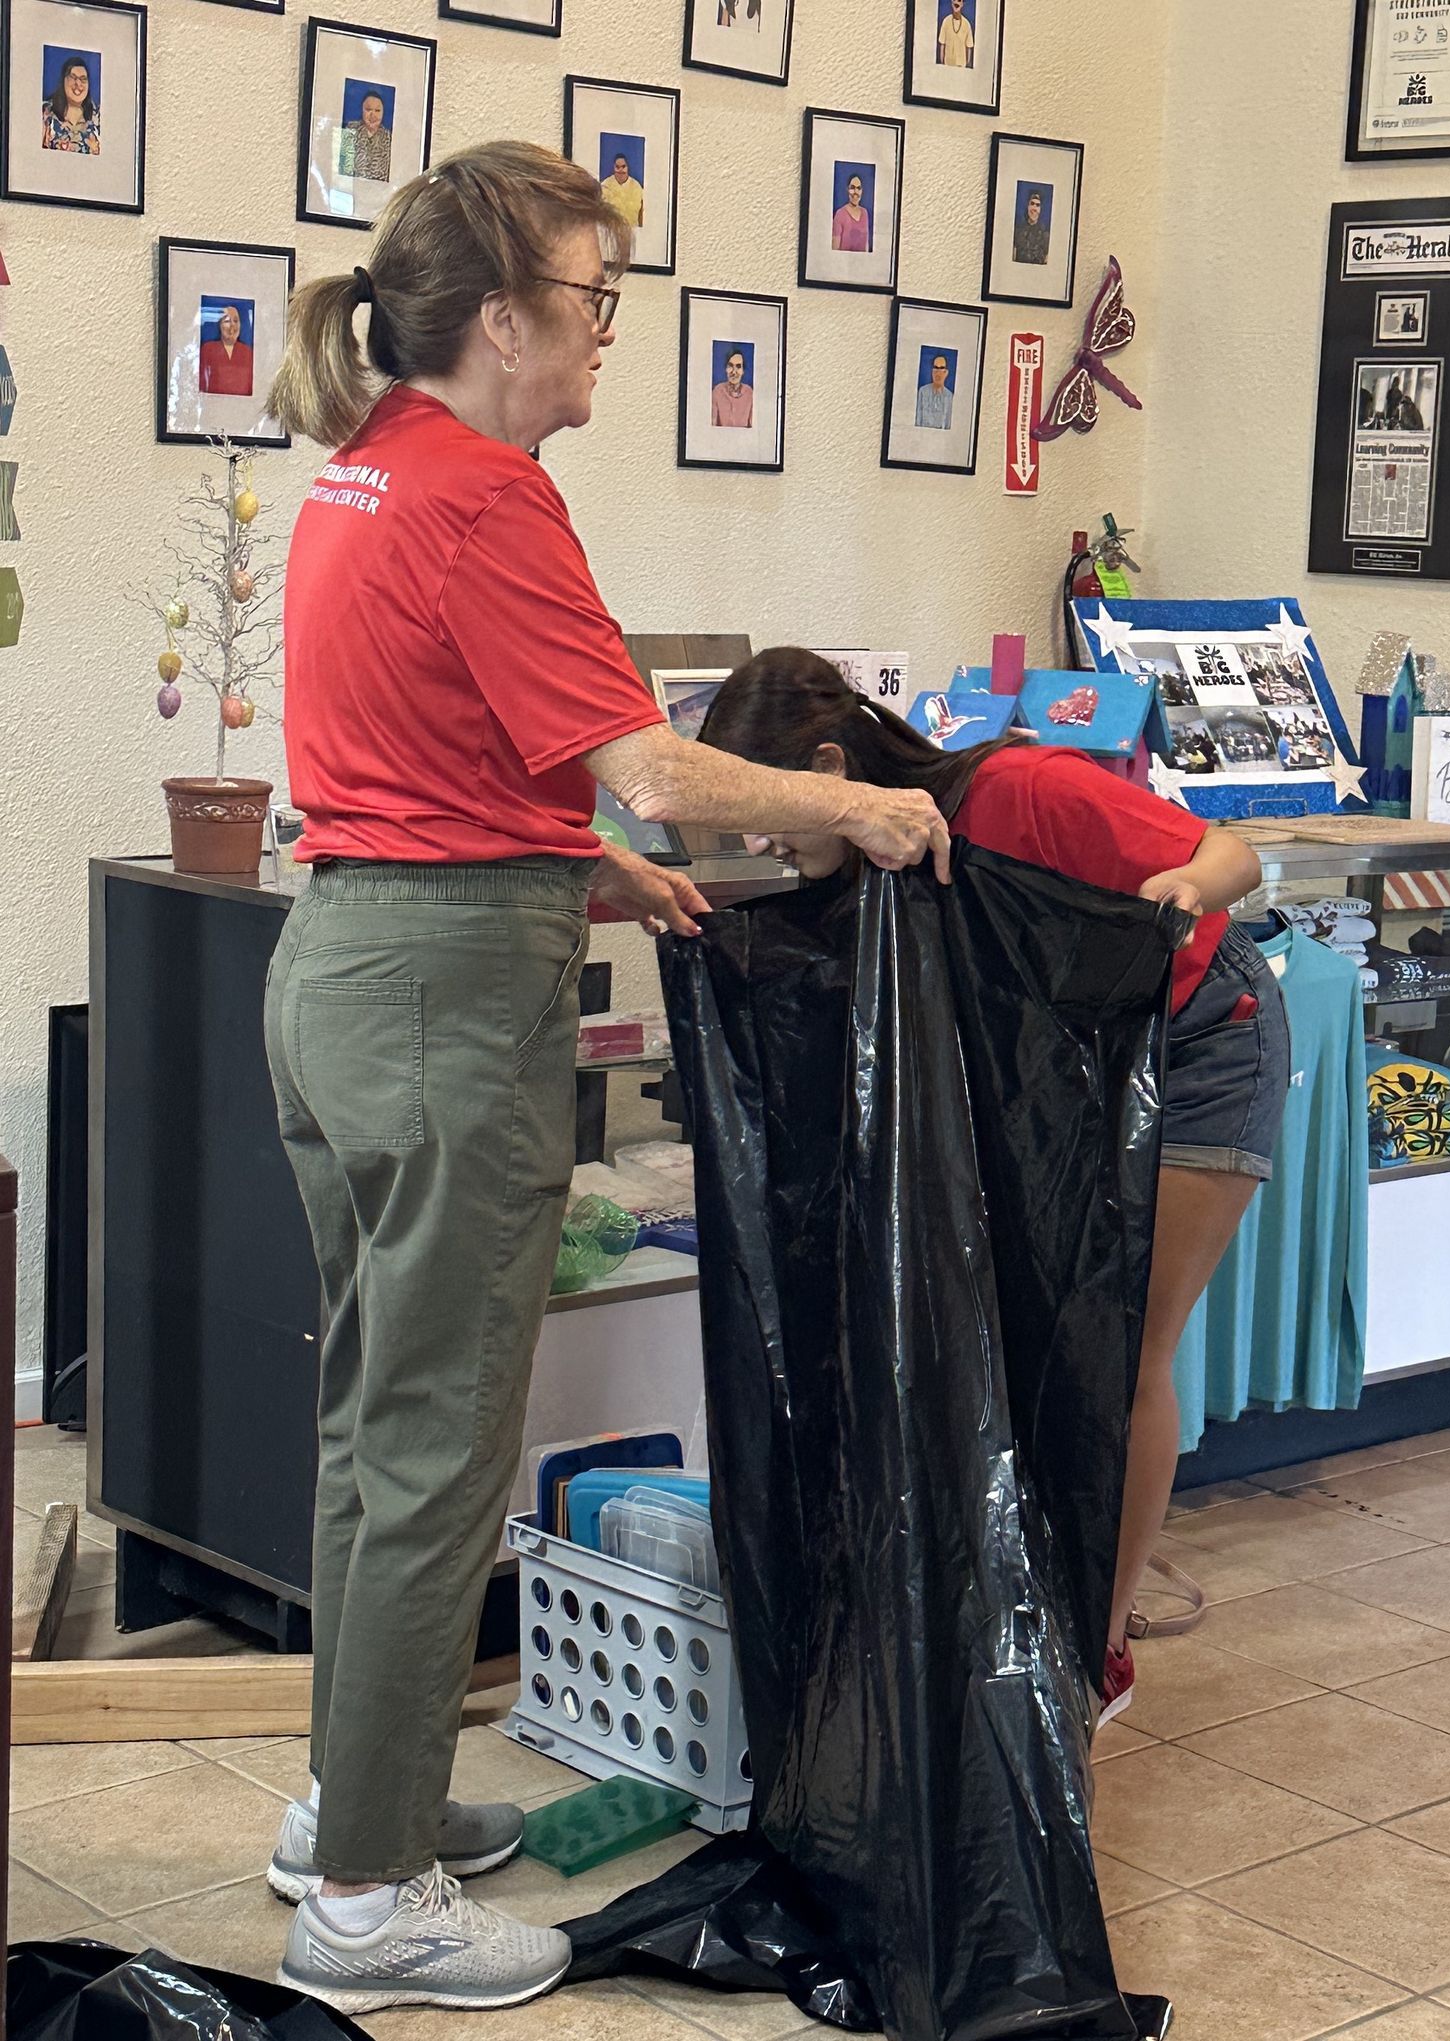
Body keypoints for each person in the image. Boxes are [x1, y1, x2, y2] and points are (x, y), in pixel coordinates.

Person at [261, 141, 946, 2017]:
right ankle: (375, 1902)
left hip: (342, 963)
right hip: (437, 1000)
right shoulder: (488, 495)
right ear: (500, 319)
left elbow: (428, 755)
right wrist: (862, 805)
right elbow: (657, 765)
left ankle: (353, 1807)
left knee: (371, 1431)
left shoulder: (361, 472)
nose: (605, 337)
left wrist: (581, 868)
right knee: (435, 1451)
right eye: (591, 300)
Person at [698, 649, 1282, 1728]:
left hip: (1200, 1042)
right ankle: (1031, 1610)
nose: (758, 839)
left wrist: (1176, 895)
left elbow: (1231, 854)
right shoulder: (874, 854)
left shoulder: (1017, 793)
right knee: (1036, 1341)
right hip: (1079, 1075)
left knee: (1123, 1345)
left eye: (765, 809)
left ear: (828, 766)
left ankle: (1100, 1649)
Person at [41, 56, 100, 154]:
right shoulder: (45, 114)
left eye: (83, 79)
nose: (78, 83)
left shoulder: (99, 118)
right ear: (63, 80)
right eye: (73, 77)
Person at [199, 303, 254, 396]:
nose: (232, 325)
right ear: (219, 325)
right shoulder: (207, 349)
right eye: (227, 321)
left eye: (236, 321)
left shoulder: (248, 352)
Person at [341, 89, 392, 184]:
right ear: (362, 110)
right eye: (368, 110)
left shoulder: (389, 138)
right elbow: (344, 171)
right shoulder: (350, 130)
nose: (373, 115)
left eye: (377, 110)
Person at [711, 346, 753, 428]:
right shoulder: (717, 391)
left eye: (738, 366)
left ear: (743, 371)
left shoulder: (749, 393)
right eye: (730, 366)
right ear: (726, 369)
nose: (734, 372)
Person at [600, 151, 643, 229]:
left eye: (623, 166)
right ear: (614, 168)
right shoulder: (605, 186)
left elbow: (642, 214)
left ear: (628, 167)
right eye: (617, 167)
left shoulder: (636, 187)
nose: (620, 170)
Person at [832, 171, 871, 253]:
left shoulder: (865, 213)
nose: (856, 192)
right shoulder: (840, 214)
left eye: (859, 188)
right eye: (852, 188)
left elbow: (866, 246)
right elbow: (834, 251)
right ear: (847, 190)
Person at [915, 352, 954, 430]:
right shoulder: (922, 391)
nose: (938, 372)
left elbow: (948, 424)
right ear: (932, 371)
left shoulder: (950, 396)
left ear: (946, 372)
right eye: (935, 368)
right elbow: (918, 420)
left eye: (941, 368)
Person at [1012, 187, 1050, 265]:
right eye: (1032, 204)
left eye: (1037, 205)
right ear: (1028, 206)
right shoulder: (1017, 230)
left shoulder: (1046, 234)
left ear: (1040, 209)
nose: (1034, 208)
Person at [937, 0, 974, 68]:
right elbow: (942, 44)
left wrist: (967, 65)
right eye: (954, 0)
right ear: (951, 2)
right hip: (947, 65)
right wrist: (942, 64)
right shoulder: (946, 21)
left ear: (962, 4)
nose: (956, 3)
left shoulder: (967, 24)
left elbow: (969, 47)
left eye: (959, 0)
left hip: (961, 66)